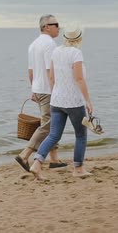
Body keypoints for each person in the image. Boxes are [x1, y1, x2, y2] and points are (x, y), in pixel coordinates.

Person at [29, 26, 93, 180]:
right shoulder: (76, 53)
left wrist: (55, 93)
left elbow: (51, 77)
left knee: (54, 135)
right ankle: (78, 168)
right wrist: (88, 101)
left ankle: (36, 164)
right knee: (81, 135)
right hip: (73, 102)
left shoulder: (56, 51)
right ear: (79, 39)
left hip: (56, 100)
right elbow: (79, 79)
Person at [14, 14, 67, 172]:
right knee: (48, 125)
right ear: (46, 27)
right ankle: (25, 154)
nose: (58, 27)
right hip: (48, 90)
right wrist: (57, 90)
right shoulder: (49, 44)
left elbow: (30, 71)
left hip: (39, 88)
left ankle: (54, 159)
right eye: (55, 24)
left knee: (51, 125)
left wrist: (33, 90)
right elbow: (50, 70)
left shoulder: (33, 45)